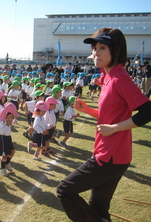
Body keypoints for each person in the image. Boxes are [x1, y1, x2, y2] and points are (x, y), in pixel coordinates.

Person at [57, 28, 151, 222]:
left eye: (102, 47)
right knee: (98, 207)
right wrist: (88, 111)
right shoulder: (108, 77)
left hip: (111, 155)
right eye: (94, 48)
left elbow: (148, 112)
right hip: (112, 154)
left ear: (116, 51)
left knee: (65, 190)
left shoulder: (119, 78)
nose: (95, 53)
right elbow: (111, 116)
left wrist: (114, 128)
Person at [0, 102, 19, 176]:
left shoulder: (8, 119)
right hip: (2, 138)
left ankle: (7, 163)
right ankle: (2, 168)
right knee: (4, 155)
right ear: (6, 114)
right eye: (11, 115)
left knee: (12, 151)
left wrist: (9, 124)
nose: (12, 118)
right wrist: (7, 125)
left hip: (8, 137)